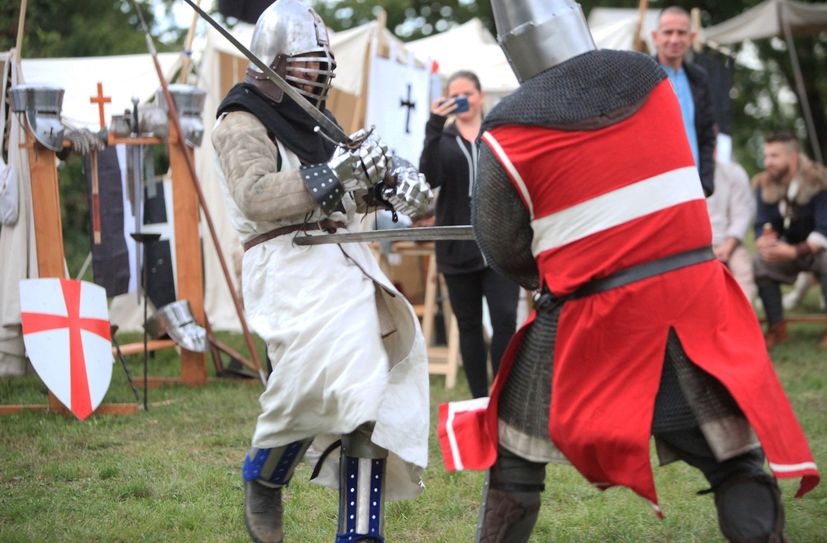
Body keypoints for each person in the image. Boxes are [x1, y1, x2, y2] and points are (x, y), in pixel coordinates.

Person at [439, 2, 820, 542]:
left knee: (516, 451)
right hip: (692, 296)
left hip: (595, 312)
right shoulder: (649, 78)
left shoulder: (507, 128)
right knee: (731, 456)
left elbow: (502, 247)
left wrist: (552, 266)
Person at [210, 2, 433, 541]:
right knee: (311, 386)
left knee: (371, 393)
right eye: (310, 62)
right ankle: (265, 476)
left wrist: (393, 186)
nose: (320, 72)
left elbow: (350, 189)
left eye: (322, 62)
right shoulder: (239, 120)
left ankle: (360, 535)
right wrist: (330, 174)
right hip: (286, 266)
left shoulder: (320, 123)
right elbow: (255, 194)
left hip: (345, 264)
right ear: (276, 61)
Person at [419, 70, 520, 398]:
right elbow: (429, 178)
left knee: (505, 319)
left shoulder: (498, 132)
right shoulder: (443, 137)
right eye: (455, 95)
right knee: (469, 326)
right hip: (456, 247)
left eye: (468, 94)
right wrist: (433, 126)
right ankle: (480, 399)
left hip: (499, 241)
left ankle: (501, 396)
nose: (463, 100)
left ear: (480, 96)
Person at [753, 130, 827, 348]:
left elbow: (825, 228)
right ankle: (777, 328)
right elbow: (762, 223)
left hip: (818, 249)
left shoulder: (819, 180)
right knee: (760, 264)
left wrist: (795, 252)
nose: (768, 162)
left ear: (792, 157)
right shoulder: (765, 185)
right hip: (787, 250)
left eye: (774, 156)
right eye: (766, 156)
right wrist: (763, 240)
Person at [652, 5, 717, 196]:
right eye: (668, 32)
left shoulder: (699, 78)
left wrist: (706, 183)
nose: (674, 39)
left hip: (693, 186)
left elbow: (707, 134)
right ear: (655, 36)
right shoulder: (641, 76)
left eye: (681, 33)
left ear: (691, 37)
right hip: (656, 186)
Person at [706, 155, 757, 302]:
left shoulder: (734, 173)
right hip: (697, 245)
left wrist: (728, 247)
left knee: (743, 271)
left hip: (729, 242)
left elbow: (742, 214)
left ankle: (741, 318)